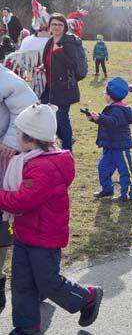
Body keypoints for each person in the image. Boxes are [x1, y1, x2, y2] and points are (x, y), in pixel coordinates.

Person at [0, 104, 103, 332]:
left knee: (48, 283)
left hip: (44, 238)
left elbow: (23, 200)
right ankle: (26, 328)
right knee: (22, 285)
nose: (14, 137)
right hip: (26, 234)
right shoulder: (29, 159)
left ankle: (88, 297)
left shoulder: (44, 167)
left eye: (17, 133)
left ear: (31, 139)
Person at [0, 64, 37, 313]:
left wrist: (12, 140)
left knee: (1, 223)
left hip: (1, 155)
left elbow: (27, 103)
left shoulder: (4, 77)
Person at [41, 13, 85, 151]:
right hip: (49, 86)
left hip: (64, 87)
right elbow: (49, 61)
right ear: (49, 26)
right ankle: (65, 139)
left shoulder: (68, 42)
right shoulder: (50, 41)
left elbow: (74, 65)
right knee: (45, 115)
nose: (57, 27)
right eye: (54, 24)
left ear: (65, 27)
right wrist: (42, 67)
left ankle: (67, 149)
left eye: (60, 24)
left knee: (62, 119)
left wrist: (60, 52)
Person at [89, 77, 132, 201]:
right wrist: (96, 119)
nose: (105, 96)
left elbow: (113, 122)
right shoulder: (114, 108)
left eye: (105, 94)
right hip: (110, 147)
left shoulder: (118, 110)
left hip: (120, 148)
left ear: (110, 96)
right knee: (103, 167)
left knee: (125, 172)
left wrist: (100, 118)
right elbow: (108, 122)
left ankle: (126, 194)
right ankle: (107, 189)